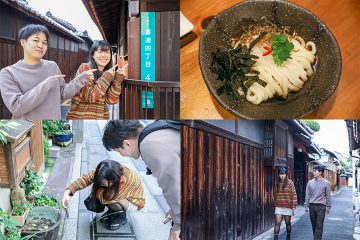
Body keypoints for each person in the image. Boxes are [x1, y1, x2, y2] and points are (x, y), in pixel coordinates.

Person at [102, 120, 181, 240]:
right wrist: (175, 210)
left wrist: (178, 223)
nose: (121, 155)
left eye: (118, 151)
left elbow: (174, 187)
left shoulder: (149, 146)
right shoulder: (154, 133)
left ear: (127, 143)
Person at [0, 24, 94, 120]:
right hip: (27, 131)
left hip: (53, 127)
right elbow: (17, 108)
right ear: (23, 42)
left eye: (44, 43)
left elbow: (61, 95)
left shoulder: (52, 66)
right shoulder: (8, 73)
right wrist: (47, 84)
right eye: (36, 40)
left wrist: (81, 79)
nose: (41, 46)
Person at [61, 160, 145, 231]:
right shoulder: (106, 170)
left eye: (102, 183)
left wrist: (96, 195)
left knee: (109, 198)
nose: (100, 183)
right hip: (118, 194)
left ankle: (121, 216)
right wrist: (67, 192)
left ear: (112, 180)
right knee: (105, 196)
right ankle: (113, 211)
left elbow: (106, 198)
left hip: (133, 203)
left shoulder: (127, 180)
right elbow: (86, 178)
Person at [66, 40, 126, 119]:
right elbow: (90, 97)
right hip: (81, 117)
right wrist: (106, 77)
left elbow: (111, 100)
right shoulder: (85, 68)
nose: (104, 55)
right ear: (93, 55)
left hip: (101, 117)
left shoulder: (107, 74)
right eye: (100, 52)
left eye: (107, 52)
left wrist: (117, 80)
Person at [304, 165, 331, 240]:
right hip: (312, 206)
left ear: (320, 172)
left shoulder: (326, 183)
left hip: (321, 206)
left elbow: (328, 196)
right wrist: (306, 205)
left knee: (319, 225)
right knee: (314, 224)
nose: (313, 172)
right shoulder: (310, 183)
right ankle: (317, 238)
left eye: (315, 171)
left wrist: (328, 206)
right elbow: (307, 195)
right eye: (314, 171)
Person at [273, 167, 297, 240]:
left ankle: (288, 236)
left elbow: (294, 193)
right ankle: (275, 238)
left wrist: (294, 204)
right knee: (278, 222)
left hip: (288, 206)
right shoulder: (277, 183)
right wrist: (275, 200)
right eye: (280, 174)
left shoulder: (290, 183)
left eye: (283, 174)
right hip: (279, 206)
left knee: (287, 222)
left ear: (286, 174)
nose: (282, 176)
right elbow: (274, 194)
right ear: (278, 175)